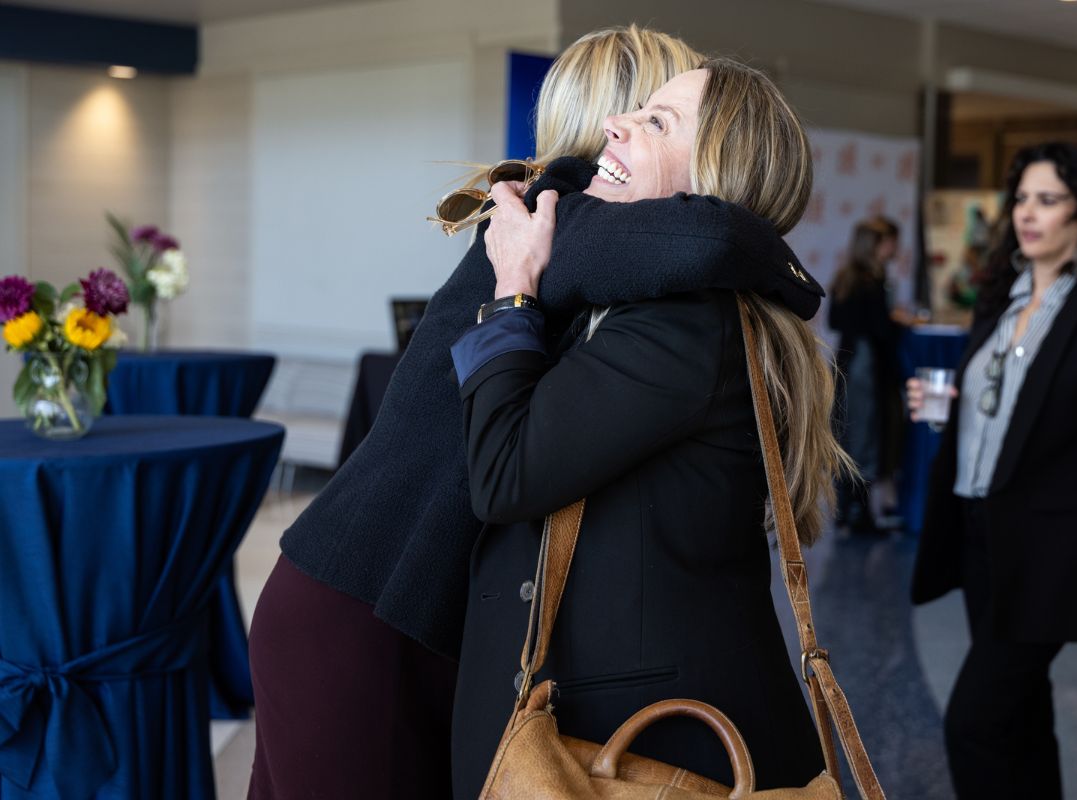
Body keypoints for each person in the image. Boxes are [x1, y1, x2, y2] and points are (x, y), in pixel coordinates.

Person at [248, 26, 822, 798]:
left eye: (660, 119)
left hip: (389, 604)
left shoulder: (593, 238)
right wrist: (792, 275)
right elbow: (715, 234)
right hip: (367, 605)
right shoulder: (566, 215)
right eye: (642, 109)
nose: (628, 128)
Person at [449, 59, 848, 797]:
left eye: (657, 122)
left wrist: (512, 292)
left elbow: (504, 472)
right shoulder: (655, 300)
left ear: (709, 188)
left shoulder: (687, 322)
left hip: (655, 748)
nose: (615, 124)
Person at [908, 142, 1077, 799]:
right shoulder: (1001, 296)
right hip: (982, 537)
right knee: (1021, 718)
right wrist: (944, 413)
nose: (1028, 213)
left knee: (973, 721)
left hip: (1052, 554)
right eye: (1022, 198)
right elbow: (1004, 420)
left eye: (1048, 200)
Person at [829, 216, 907, 532]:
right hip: (865, 367)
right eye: (890, 242)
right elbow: (881, 331)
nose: (894, 249)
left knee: (847, 436)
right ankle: (861, 516)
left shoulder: (846, 278)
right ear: (875, 245)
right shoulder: (870, 282)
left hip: (847, 363)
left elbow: (836, 321)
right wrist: (896, 322)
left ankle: (846, 511)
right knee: (866, 437)